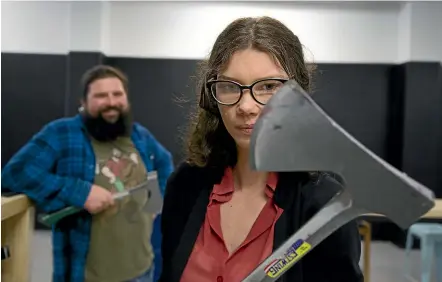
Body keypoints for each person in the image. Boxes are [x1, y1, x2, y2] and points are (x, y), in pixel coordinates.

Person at [159, 16, 363, 282]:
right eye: (231, 86)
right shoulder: (186, 183)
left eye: (268, 87)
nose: (246, 106)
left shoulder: (324, 204)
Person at [1, 65, 174, 282]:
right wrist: (80, 192)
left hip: (142, 269)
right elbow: (15, 174)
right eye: (101, 95)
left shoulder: (139, 135)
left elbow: (164, 162)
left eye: (117, 94)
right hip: (85, 275)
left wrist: (156, 203)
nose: (111, 102)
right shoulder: (62, 133)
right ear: (83, 103)